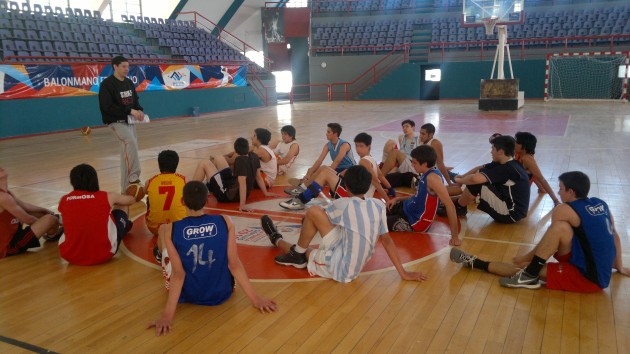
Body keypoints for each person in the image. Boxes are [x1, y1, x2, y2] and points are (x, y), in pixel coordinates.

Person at [450, 171, 630, 292]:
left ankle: (480, 264)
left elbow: (549, 242)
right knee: (560, 231)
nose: (559, 193)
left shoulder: (564, 210)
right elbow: (615, 236)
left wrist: (526, 257)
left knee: (527, 265)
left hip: (589, 277)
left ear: (571, 191)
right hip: (594, 264)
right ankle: (527, 272)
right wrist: (619, 265)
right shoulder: (601, 204)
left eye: (561, 189)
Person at [147, 181, 277, 336]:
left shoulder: (171, 228)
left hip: (189, 295)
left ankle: (160, 254)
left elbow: (178, 274)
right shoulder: (225, 221)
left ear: (182, 201)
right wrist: (255, 298)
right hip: (222, 293)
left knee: (162, 231)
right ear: (207, 201)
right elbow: (233, 263)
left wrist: (167, 315)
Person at [261, 165, 428, 283]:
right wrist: (403, 272)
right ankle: (297, 253)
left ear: (346, 187)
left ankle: (278, 240)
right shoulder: (378, 205)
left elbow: (314, 220)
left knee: (306, 248)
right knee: (314, 213)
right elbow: (387, 240)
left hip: (341, 268)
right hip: (347, 249)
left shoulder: (343, 204)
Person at [280, 133, 395, 210]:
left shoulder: (364, 162)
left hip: (357, 200)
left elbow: (376, 182)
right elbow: (381, 176)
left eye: (361, 146)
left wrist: (388, 201)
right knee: (325, 168)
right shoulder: (372, 160)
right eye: (357, 146)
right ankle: (303, 189)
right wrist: (391, 190)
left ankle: (301, 200)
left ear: (369, 146)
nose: (358, 149)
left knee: (325, 173)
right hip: (358, 195)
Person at [57, 164, 136, 265]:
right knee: (122, 205)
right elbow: (131, 200)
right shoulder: (107, 196)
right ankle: (124, 226)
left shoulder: (64, 200)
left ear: (73, 182)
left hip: (70, 256)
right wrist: (136, 191)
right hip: (104, 254)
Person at [442, 135, 530, 223]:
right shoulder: (509, 163)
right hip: (513, 209)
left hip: (510, 214)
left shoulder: (507, 168)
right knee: (481, 174)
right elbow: (480, 169)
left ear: (500, 152)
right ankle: (458, 204)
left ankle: (459, 207)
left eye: (493, 149)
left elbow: (474, 179)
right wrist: (463, 177)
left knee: (477, 181)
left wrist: (458, 180)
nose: (491, 152)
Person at [385, 145, 461, 246]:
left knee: (378, 224)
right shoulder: (426, 173)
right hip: (407, 209)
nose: (412, 165)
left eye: (414, 162)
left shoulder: (433, 179)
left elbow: (450, 206)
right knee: (377, 212)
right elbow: (418, 196)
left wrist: (455, 236)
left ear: (424, 164)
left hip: (415, 221)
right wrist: (398, 199)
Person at [99, 55, 145, 193]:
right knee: (130, 142)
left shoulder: (129, 82)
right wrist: (129, 110)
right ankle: (134, 176)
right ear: (115, 67)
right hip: (115, 122)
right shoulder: (107, 84)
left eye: (127, 66)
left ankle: (125, 189)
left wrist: (139, 110)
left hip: (130, 122)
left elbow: (135, 101)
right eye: (124, 66)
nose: (127, 69)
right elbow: (107, 107)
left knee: (127, 153)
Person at [192, 137, 277, 212]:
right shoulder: (254, 156)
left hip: (227, 195)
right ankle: (210, 184)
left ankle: (190, 192)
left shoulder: (240, 161)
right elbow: (258, 177)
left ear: (236, 151)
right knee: (219, 158)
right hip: (232, 185)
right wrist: (265, 193)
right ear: (247, 148)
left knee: (204, 163)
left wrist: (242, 205)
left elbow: (242, 182)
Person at [0, 167, 62, 260]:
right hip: (8, 245)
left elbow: (25, 206)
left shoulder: (7, 192)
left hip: (13, 232)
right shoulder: (3, 198)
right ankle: (53, 234)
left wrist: (43, 210)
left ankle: (60, 225)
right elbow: (28, 219)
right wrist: (45, 223)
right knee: (50, 219)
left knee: (40, 213)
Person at [291, 123, 355, 188]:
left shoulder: (344, 145)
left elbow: (336, 162)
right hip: (338, 169)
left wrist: (325, 173)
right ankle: (305, 182)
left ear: (335, 134)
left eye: (328, 132)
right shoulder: (328, 145)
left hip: (349, 170)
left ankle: (304, 184)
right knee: (311, 170)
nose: (326, 133)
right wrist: (310, 172)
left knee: (323, 174)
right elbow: (319, 161)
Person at [145, 150, 187, 237]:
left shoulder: (150, 181)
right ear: (176, 164)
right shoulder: (184, 180)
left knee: (149, 198)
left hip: (155, 229)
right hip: (179, 228)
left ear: (159, 164)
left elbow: (142, 193)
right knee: (187, 198)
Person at [514, 132, 561, 206]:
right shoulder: (519, 153)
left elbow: (542, 179)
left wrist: (556, 201)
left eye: (517, 142)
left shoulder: (527, 159)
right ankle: (542, 189)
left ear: (524, 146)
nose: (514, 144)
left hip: (518, 191)